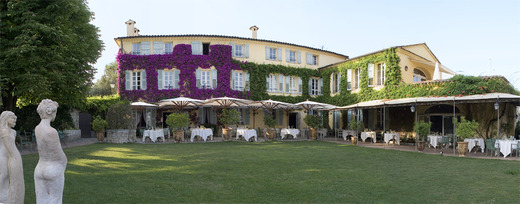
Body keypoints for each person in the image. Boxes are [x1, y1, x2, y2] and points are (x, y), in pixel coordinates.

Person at [34, 99, 67, 204]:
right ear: (50, 112)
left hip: (39, 169)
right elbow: (58, 153)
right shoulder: (51, 131)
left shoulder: (37, 128)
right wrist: (64, 163)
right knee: (55, 200)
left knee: (41, 200)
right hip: (53, 169)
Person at [0, 111, 25, 203]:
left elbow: (12, 145)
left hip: (11, 156)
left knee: (9, 175)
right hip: (2, 155)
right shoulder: (2, 130)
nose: (15, 120)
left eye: (15, 119)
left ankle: (5, 192)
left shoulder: (13, 132)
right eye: (13, 118)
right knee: (4, 174)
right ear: (6, 119)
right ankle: (1, 192)